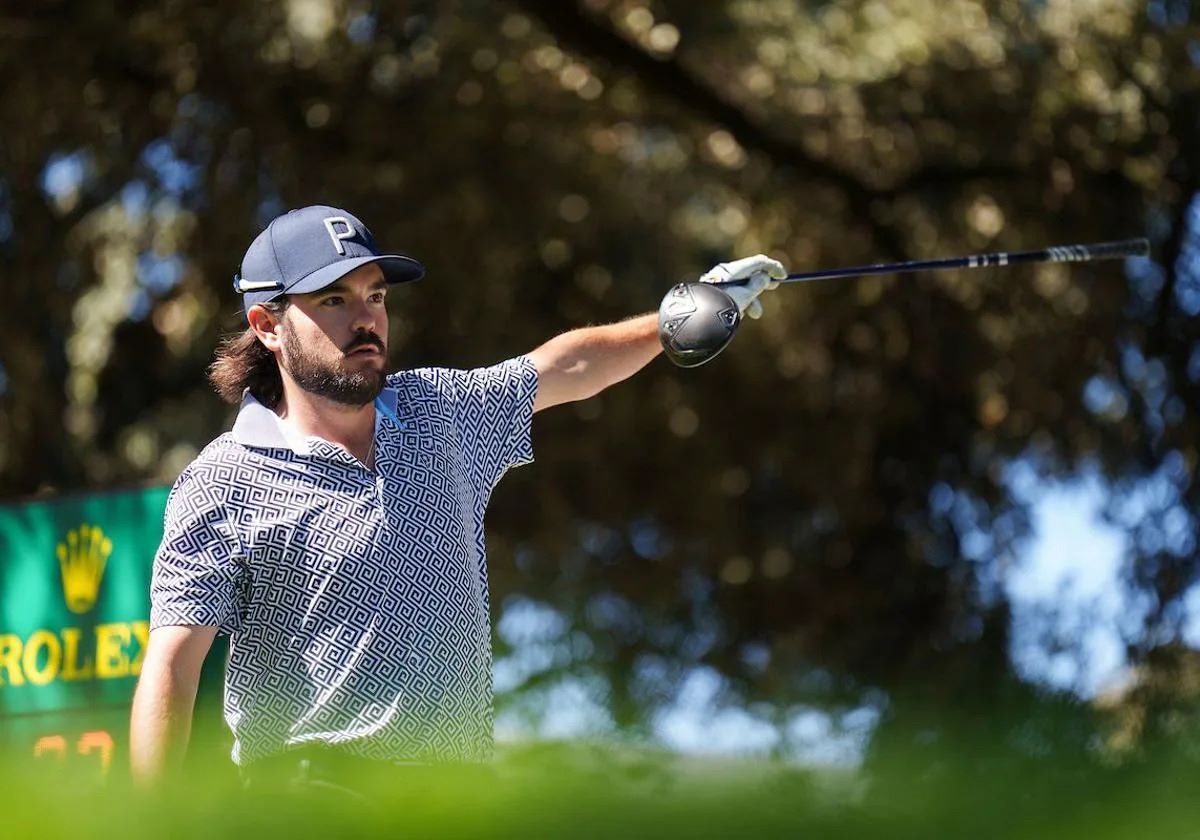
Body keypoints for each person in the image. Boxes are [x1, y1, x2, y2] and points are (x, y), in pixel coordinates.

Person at [129, 204, 785, 793]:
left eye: (376, 296)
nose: (367, 320)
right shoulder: (223, 481)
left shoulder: (439, 411)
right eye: (334, 300)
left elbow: (563, 366)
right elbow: (173, 668)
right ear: (267, 326)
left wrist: (676, 320)